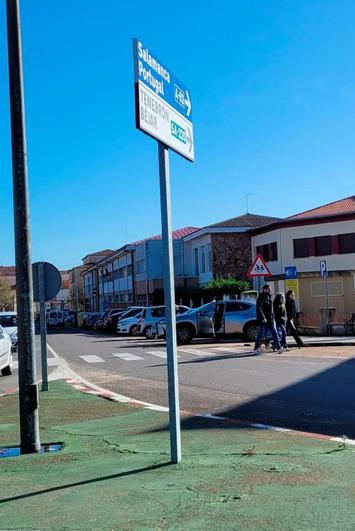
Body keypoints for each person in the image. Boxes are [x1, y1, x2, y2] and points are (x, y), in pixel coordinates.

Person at [254, 284, 284, 355]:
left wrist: (273, 317)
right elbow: (259, 309)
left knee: (275, 333)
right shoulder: (260, 298)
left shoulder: (269, 297)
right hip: (263, 320)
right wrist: (263, 317)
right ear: (264, 289)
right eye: (268, 289)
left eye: (270, 289)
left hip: (271, 319)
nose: (269, 290)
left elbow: (271, 309)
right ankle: (256, 348)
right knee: (260, 334)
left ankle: (279, 348)